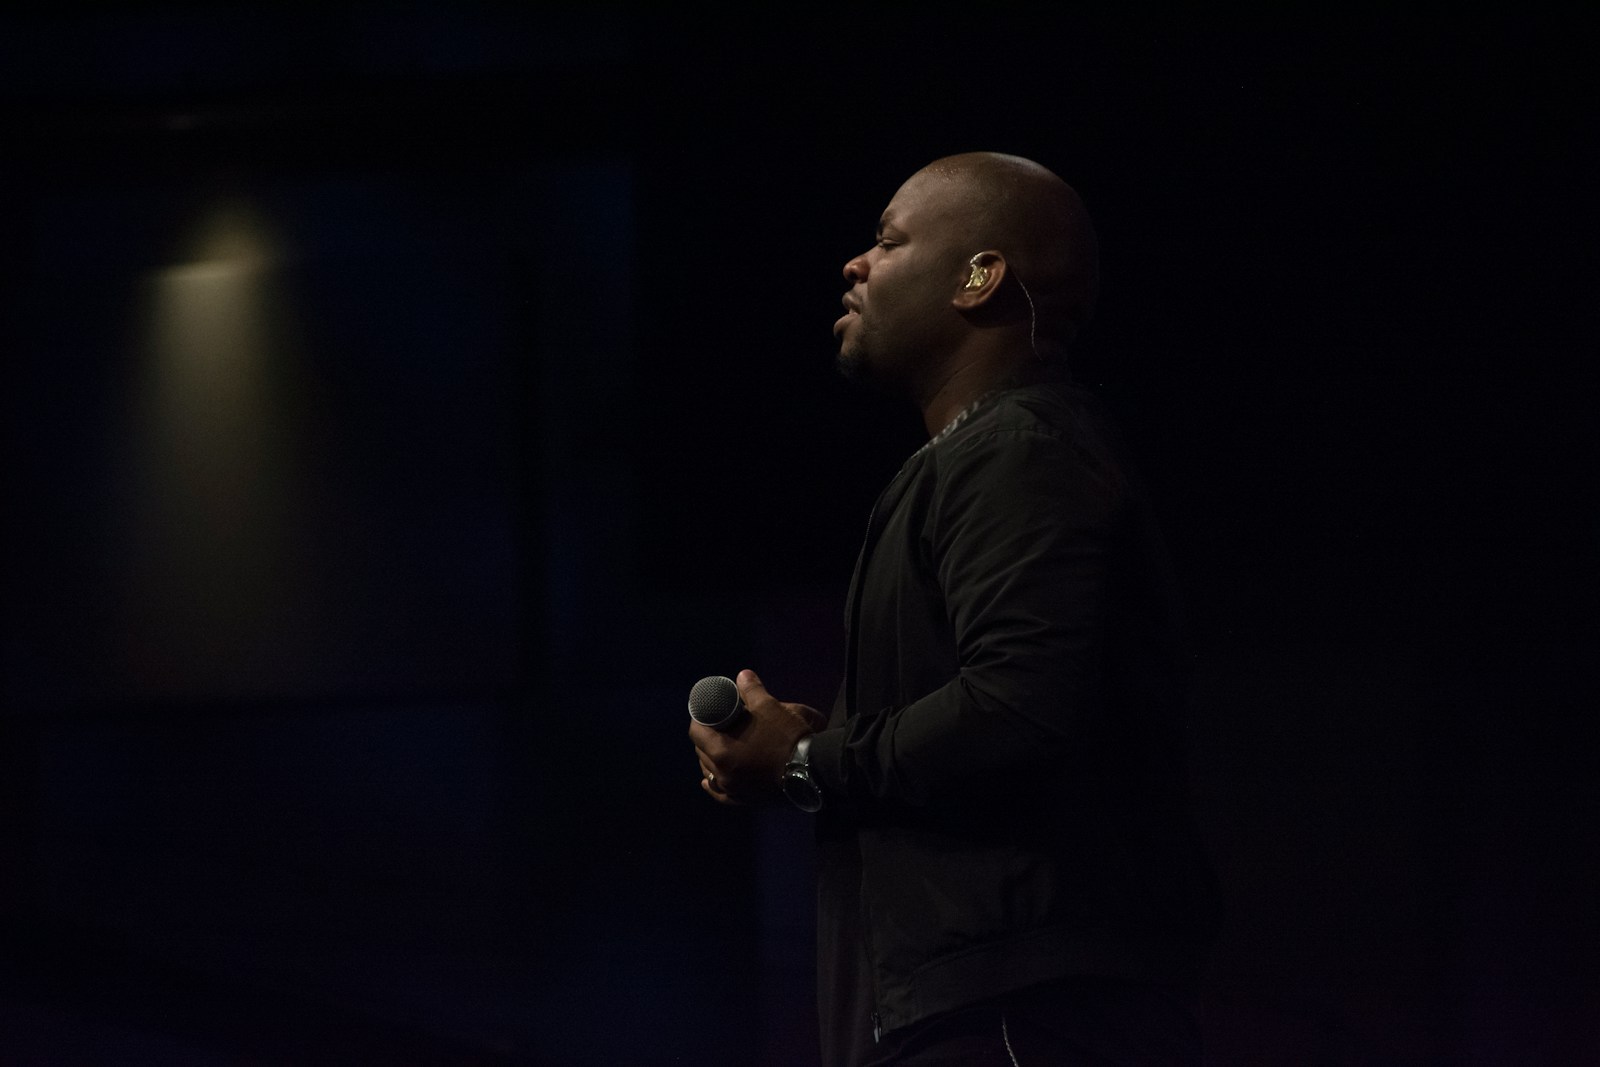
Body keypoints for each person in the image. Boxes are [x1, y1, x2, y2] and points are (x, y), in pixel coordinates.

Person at [689, 152, 1220, 1066]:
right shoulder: (982, 456)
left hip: (1014, 1014)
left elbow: (1022, 702)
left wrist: (810, 759)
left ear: (980, 278)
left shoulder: (1021, 448)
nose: (855, 262)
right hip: (968, 1011)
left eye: (889, 240)